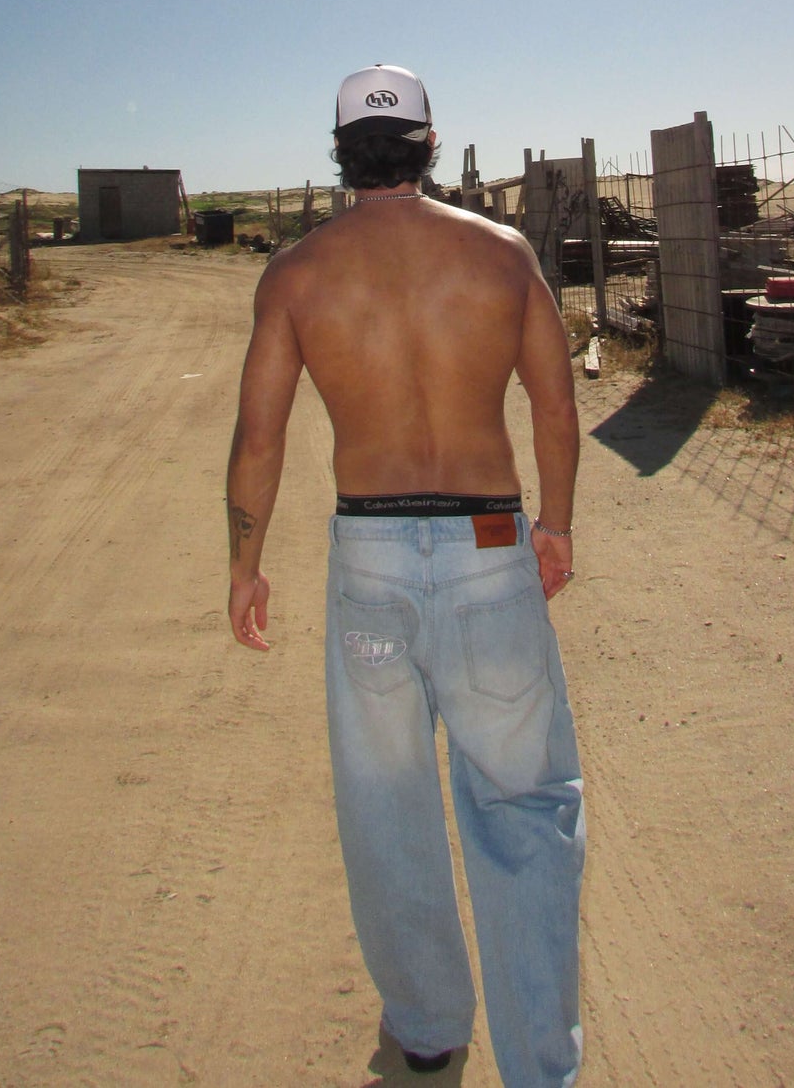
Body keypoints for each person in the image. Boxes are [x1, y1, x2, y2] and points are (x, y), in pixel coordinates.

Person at [225, 64, 585, 1086]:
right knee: (521, 805)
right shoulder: (502, 254)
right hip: (486, 542)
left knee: (387, 806)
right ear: (430, 143)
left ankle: (427, 1025)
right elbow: (555, 409)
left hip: (372, 555)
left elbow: (259, 436)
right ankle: (539, 1065)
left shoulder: (296, 275)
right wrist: (552, 523)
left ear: (341, 151)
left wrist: (244, 565)